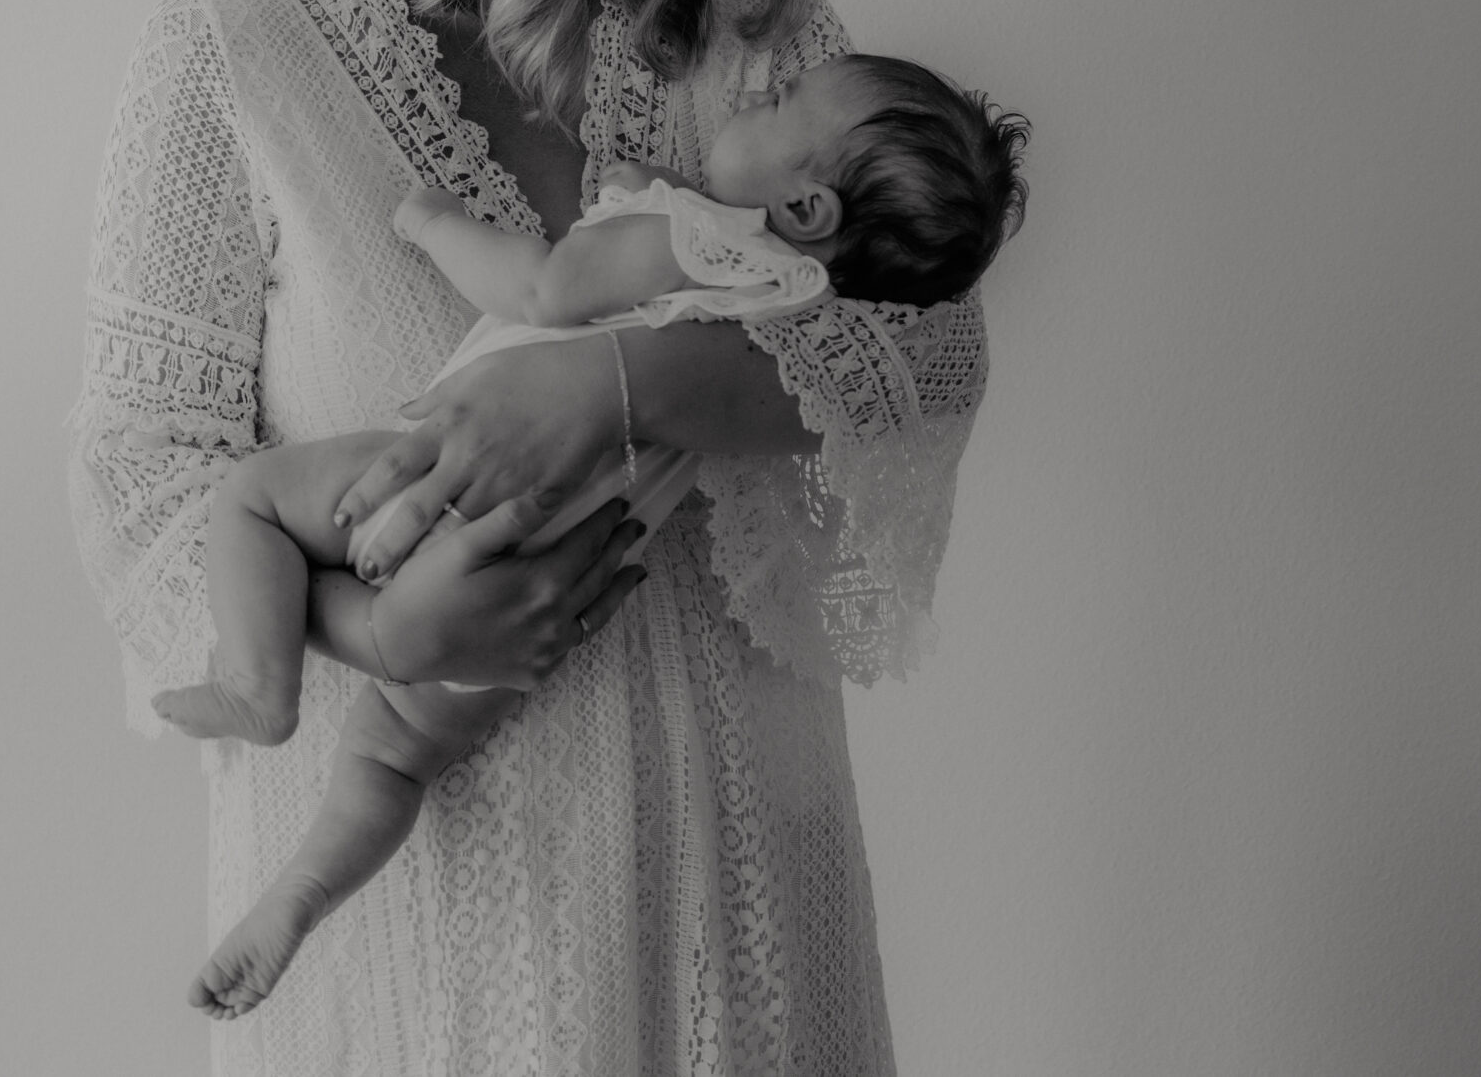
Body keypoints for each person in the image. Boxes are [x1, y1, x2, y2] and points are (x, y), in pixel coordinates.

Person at [71, 0, 997, 1076]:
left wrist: (609, 387)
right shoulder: (236, 51)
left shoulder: (748, 28)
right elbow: (140, 475)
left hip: (740, 909)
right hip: (424, 930)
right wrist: (378, 623)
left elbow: (933, 343)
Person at [153, 55, 1028, 1019]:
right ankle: (302, 890)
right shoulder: (802, 300)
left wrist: (433, 222)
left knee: (254, 500)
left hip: (448, 481)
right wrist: (654, 196)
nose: (753, 92)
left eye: (779, 101)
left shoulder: (697, 236)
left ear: (808, 207)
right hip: (548, 574)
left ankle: (260, 683)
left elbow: (544, 289)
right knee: (393, 756)